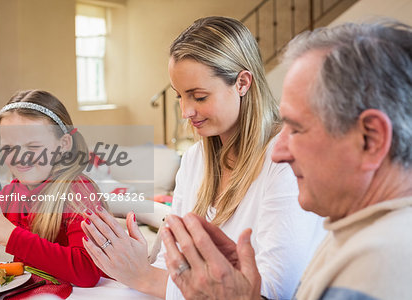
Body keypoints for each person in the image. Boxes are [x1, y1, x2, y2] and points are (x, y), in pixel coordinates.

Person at [162, 19, 412, 299]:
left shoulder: (380, 265)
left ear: (371, 138)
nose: (278, 151)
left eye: (296, 128)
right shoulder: (354, 238)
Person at [81, 16, 325, 299]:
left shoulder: (284, 161)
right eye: (179, 97)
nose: (185, 111)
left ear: (243, 83)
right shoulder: (195, 159)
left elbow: (271, 291)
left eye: (198, 96)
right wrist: (140, 265)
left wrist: (143, 276)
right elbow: (172, 266)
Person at [0, 90, 103, 287]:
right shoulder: (10, 194)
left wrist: (11, 236)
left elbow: (87, 272)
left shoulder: (79, 192)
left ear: (63, 145)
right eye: (9, 148)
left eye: (34, 146)